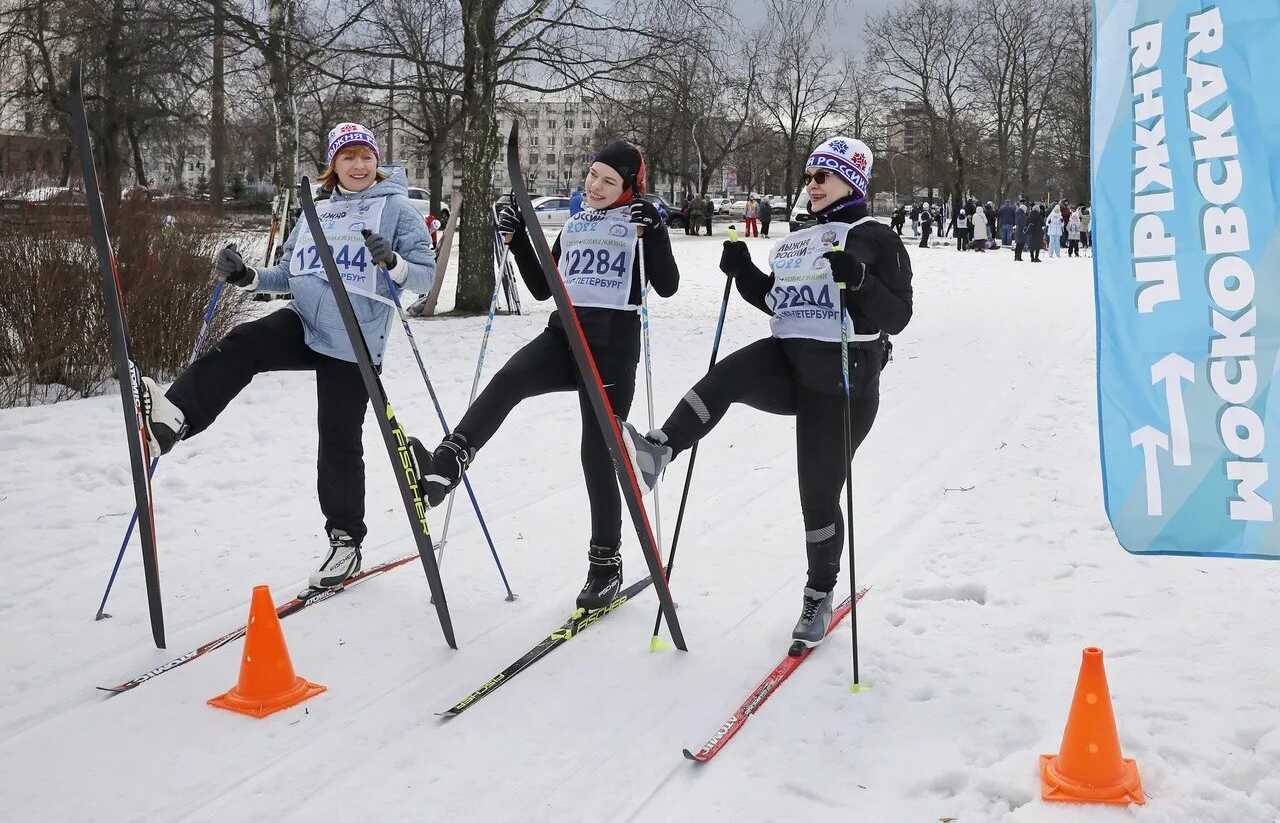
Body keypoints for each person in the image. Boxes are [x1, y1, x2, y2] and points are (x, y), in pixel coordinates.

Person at [619, 137, 912, 647]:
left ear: (852, 182)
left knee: (817, 494)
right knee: (728, 375)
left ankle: (819, 593)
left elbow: (899, 316)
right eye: (809, 177)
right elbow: (782, 304)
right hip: (790, 360)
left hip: (843, 378)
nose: (812, 185)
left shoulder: (875, 237)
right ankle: (658, 450)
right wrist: (745, 273)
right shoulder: (798, 240)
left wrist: (861, 280)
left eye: (823, 176)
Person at [137, 123, 437, 589]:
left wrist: (393, 262)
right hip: (305, 321)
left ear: (378, 163)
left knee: (337, 442)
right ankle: (175, 418)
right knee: (246, 342)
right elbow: (291, 272)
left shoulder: (396, 209)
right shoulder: (318, 211)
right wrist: (249, 276)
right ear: (332, 166)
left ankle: (345, 542)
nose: (359, 166)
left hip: (353, 341)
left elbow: (425, 277)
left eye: (366, 157)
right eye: (348, 157)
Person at [417, 141, 678, 609]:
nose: (595, 186)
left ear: (630, 186)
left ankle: (605, 564)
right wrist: (517, 241)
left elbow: (668, 285)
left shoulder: (638, 223)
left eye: (608, 181)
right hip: (563, 337)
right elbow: (544, 288)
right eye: (593, 174)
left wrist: (655, 232)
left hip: (612, 349)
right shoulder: (577, 223)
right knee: (509, 380)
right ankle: (450, 460)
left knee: (597, 455)